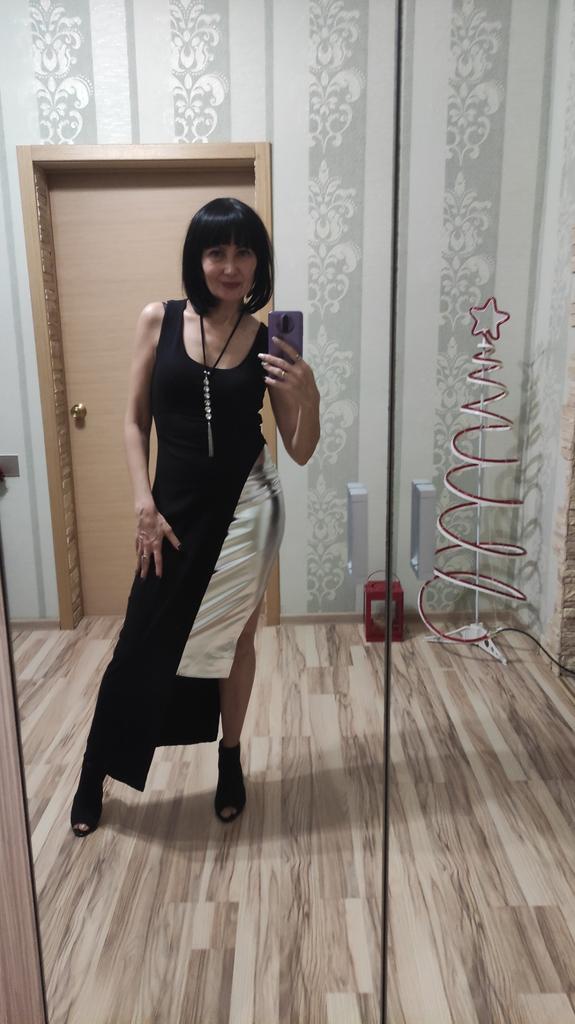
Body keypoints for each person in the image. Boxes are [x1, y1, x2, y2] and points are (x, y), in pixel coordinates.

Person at [70, 197, 320, 836]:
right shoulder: (158, 319)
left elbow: (298, 449)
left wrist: (309, 394)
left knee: (234, 643)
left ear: (258, 263)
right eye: (217, 252)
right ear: (197, 259)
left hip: (248, 511)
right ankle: (96, 768)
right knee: (138, 643)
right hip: (169, 514)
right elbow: (134, 422)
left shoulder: (268, 341)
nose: (231, 266)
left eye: (244, 252)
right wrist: (142, 504)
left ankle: (230, 761)